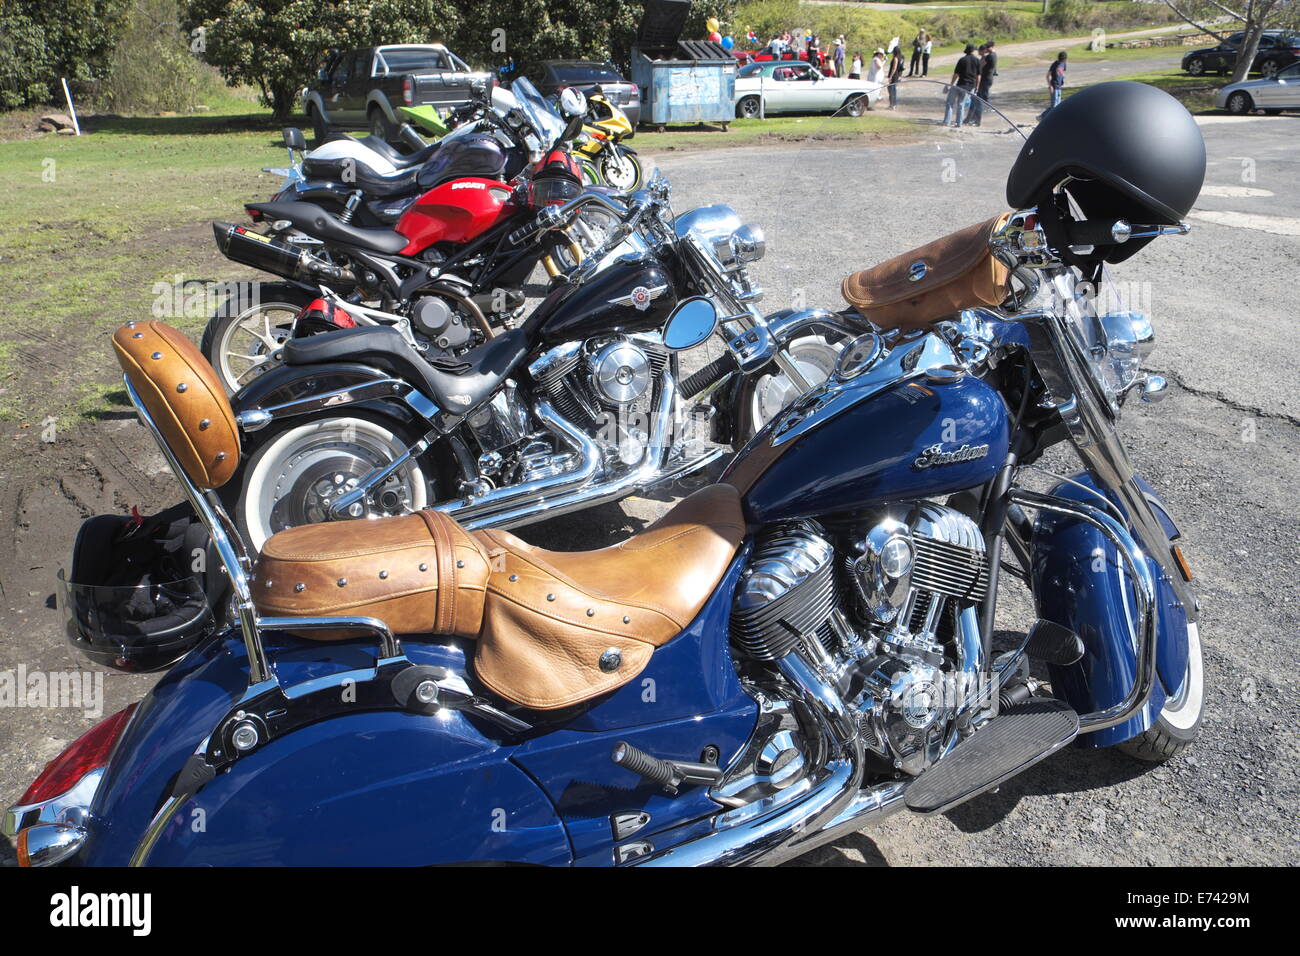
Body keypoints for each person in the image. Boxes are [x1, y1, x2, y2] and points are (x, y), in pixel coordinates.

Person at [943, 43, 981, 128]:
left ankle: (946, 121)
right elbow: (978, 75)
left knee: (950, 103)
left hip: (960, 84)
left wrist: (951, 84)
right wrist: (977, 87)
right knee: (961, 104)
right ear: (973, 51)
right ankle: (959, 123)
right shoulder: (977, 60)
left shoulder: (962, 60)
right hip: (970, 86)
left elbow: (956, 74)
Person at [970, 39, 997, 126]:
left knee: (981, 97)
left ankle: (983, 113)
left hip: (985, 78)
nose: (987, 49)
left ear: (992, 47)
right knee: (982, 96)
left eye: (988, 47)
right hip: (989, 77)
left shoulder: (989, 56)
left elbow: (981, 65)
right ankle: (981, 113)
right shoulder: (993, 55)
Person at [887, 45, 905, 110]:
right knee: (893, 90)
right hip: (897, 75)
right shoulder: (901, 57)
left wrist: (890, 76)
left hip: (894, 76)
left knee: (891, 90)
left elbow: (894, 68)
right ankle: (893, 104)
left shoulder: (895, 58)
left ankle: (892, 104)